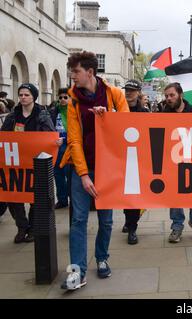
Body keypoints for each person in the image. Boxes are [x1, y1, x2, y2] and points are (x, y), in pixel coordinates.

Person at [60, 51, 129, 291]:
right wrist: (83, 175)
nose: (72, 76)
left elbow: (127, 129)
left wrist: (108, 118)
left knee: (106, 220)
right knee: (78, 220)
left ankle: (102, 257)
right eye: (72, 72)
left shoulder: (114, 94)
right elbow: (74, 140)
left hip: (107, 167)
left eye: (76, 71)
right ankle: (77, 270)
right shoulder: (74, 100)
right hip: (83, 167)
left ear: (90, 72)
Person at [1, 83, 56, 243]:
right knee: (12, 196)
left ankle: (33, 227)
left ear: (33, 97)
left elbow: (50, 135)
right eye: (21, 95)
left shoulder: (42, 115)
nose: (23, 98)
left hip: (36, 163)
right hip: (16, 164)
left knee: (35, 198)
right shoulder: (12, 116)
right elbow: (4, 136)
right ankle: (22, 226)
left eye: (26, 95)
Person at [162, 83, 192, 244]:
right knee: (175, 194)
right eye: (166, 96)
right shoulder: (164, 113)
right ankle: (177, 226)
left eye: (171, 95)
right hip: (173, 160)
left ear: (181, 94)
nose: (168, 99)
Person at [121, 80, 149, 245]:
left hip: (137, 159)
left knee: (134, 196)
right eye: (127, 90)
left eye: (132, 90)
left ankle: (132, 228)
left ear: (138, 92)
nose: (129, 93)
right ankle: (127, 220)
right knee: (124, 195)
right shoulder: (117, 111)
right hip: (119, 158)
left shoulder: (144, 113)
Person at [49, 88, 70, 209]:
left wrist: (66, 139)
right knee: (58, 174)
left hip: (69, 146)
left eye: (65, 97)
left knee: (69, 174)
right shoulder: (53, 111)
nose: (62, 99)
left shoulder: (74, 111)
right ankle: (62, 199)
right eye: (60, 97)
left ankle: (73, 199)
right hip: (55, 146)